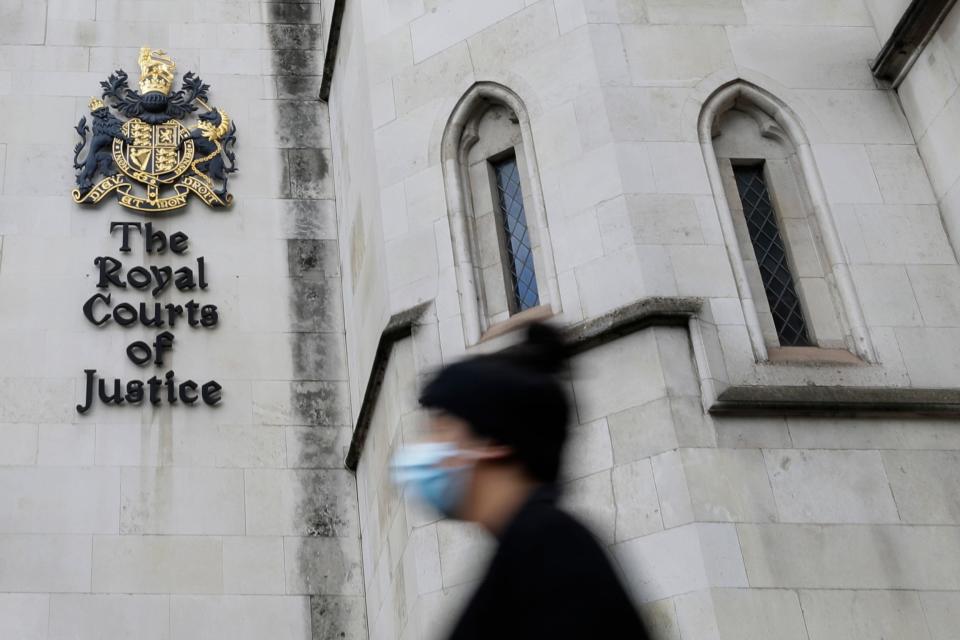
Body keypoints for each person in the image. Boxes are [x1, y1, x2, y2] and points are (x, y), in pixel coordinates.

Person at [392, 323, 650, 639]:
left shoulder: (549, 548)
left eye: (441, 429)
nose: (425, 447)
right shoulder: (522, 551)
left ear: (491, 442)